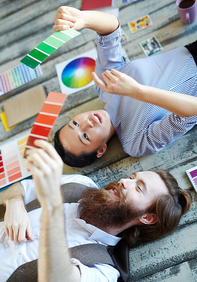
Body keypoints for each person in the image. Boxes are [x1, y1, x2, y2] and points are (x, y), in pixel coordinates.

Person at [0, 140, 192, 282]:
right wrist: (15, 204)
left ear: (148, 218)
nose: (124, 181)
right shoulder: (81, 183)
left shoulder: (105, 273)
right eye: (132, 177)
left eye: (139, 188)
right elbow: (17, 190)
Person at [52, 6, 197, 168]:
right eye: (85, 136)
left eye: (75, 123)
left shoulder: (103, 84)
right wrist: (136, 91)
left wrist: (83, 18)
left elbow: (111, 31)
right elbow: (192, 112)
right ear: (100, 150)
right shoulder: (134, 144)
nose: (87, 123)